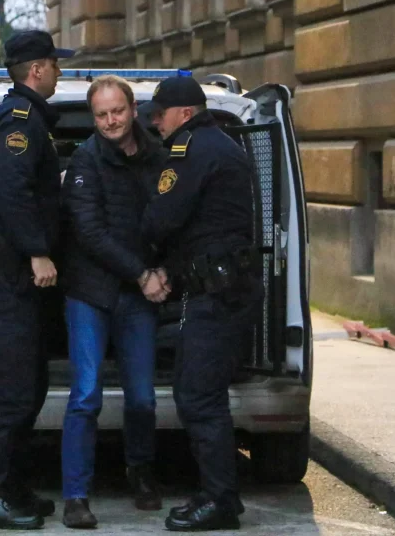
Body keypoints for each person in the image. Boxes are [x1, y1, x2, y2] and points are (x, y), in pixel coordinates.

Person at [140, 76, 261, 531]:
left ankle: (219, 501)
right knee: (197, 393)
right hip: (221, 288)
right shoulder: (218, 143)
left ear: (185, 113)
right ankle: (217, 494)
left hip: (218, 293)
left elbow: (163, 218)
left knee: (199, 397)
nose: (156, 122)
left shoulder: (190, 149)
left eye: (161, 114)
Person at [0, 30, 75, 530]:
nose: (59, 72)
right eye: (55, 64)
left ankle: (11, 486)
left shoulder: (29, 118)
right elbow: (11, 194)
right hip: (10, 270)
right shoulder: (19, 120)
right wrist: (37, 252)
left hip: (15, 273)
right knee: (11, 391)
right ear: (37, 69)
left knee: (30, 386)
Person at [58, 75, 169, 528]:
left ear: (134, 110)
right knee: (86, 394)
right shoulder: (85, 161)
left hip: (139, 296)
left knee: (142, 398)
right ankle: (75, 495)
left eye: (117, 111)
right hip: (91, 292)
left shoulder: (159, 157)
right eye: (101, 114)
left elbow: (173, 219)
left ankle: (140, 472)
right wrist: (143, 274)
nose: (110, 121)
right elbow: (89, 232)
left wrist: (166, 271)